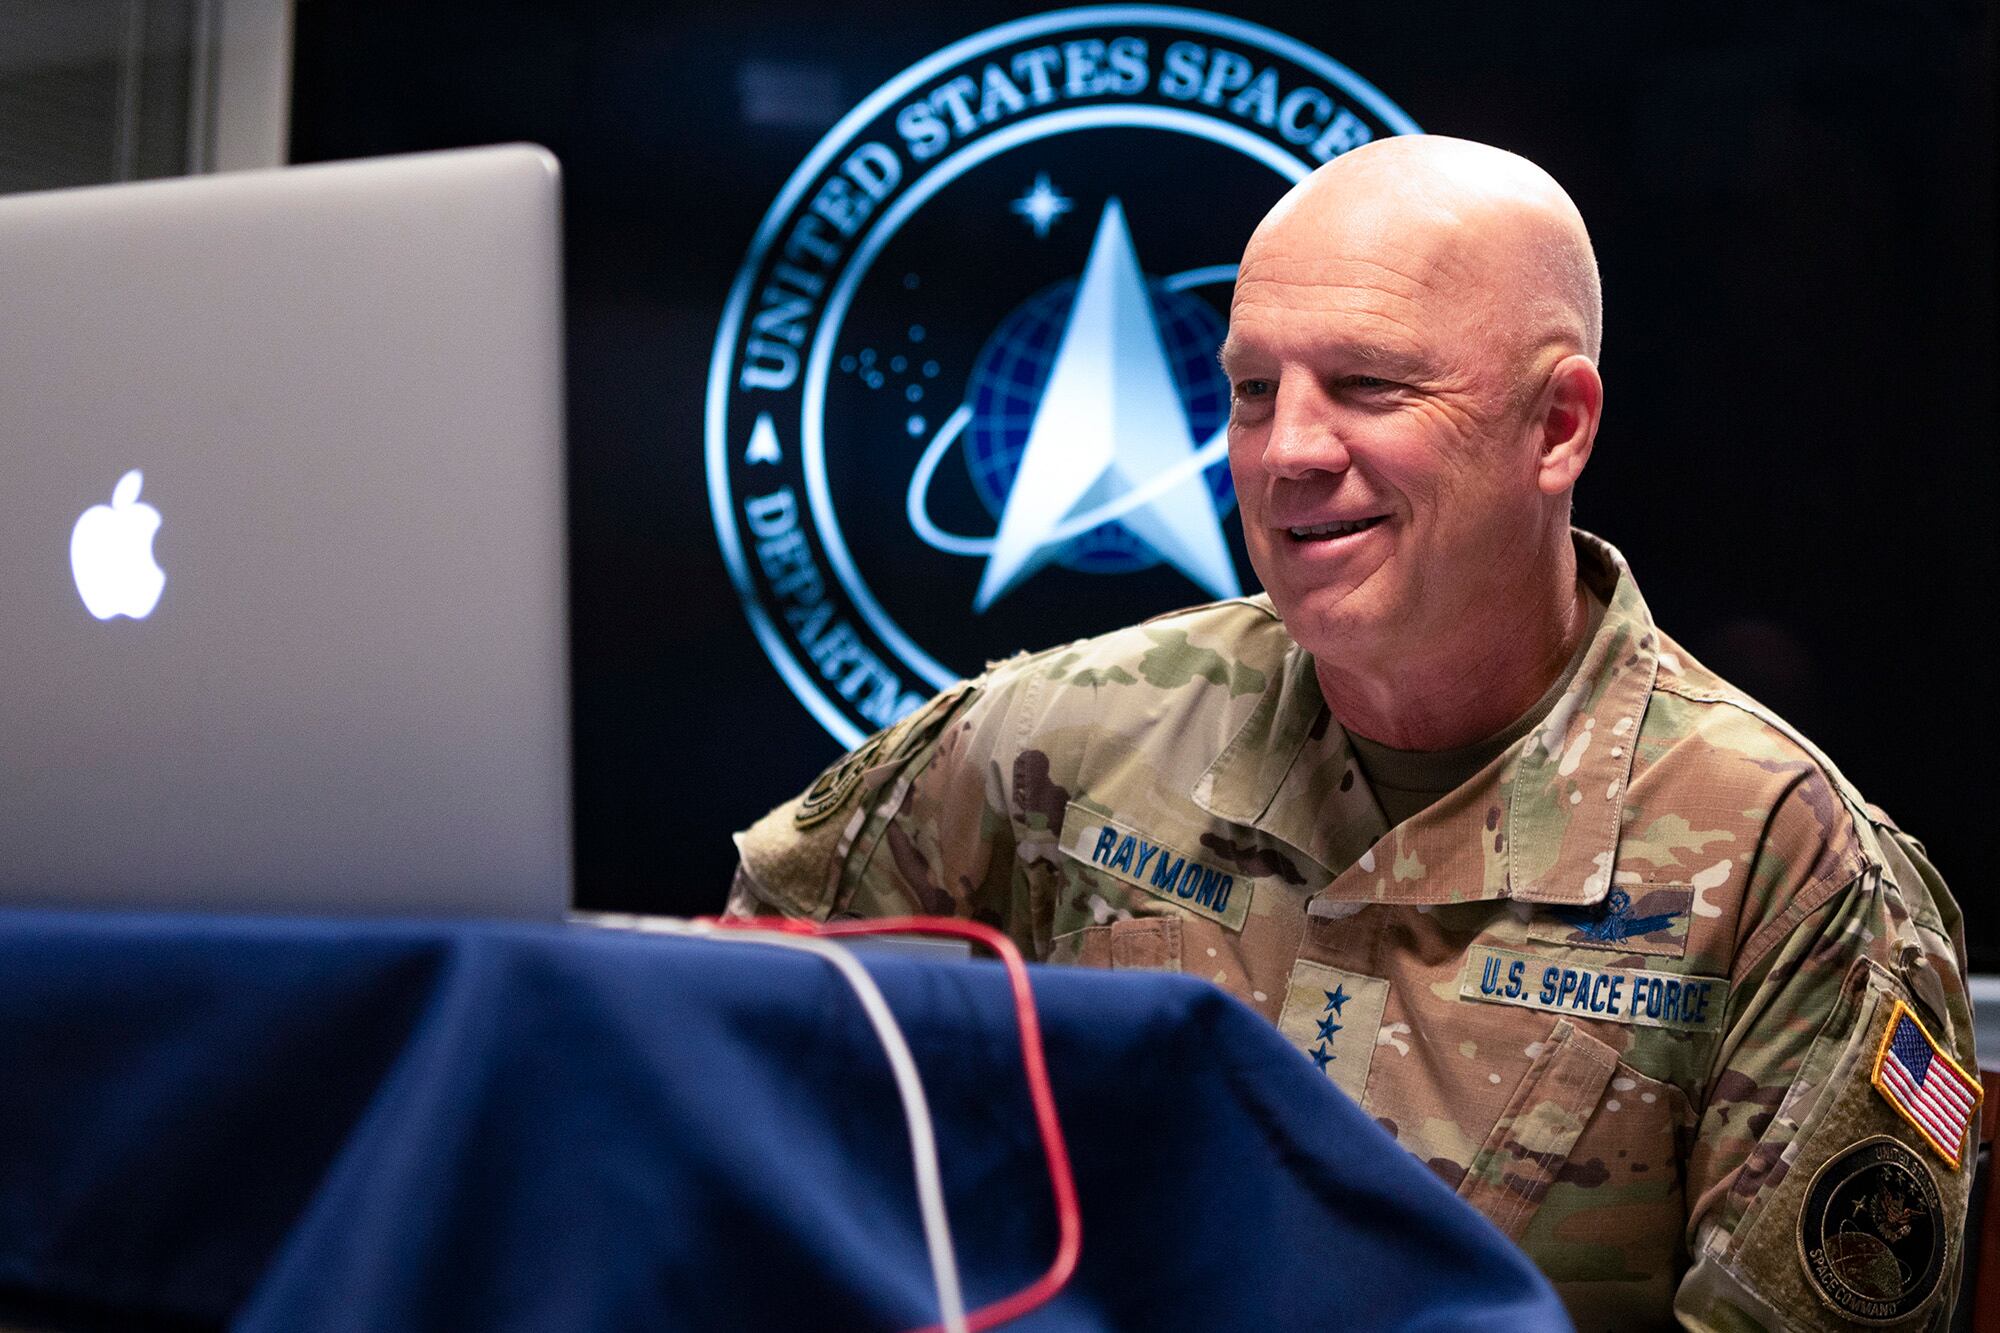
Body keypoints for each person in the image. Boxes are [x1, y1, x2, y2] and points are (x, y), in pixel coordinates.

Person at [726, 136, 1977, 1328]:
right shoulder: (1062, 734)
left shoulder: (1783, 869)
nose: (1285, 452)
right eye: (1253, 390)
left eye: (1368, 386)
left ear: (1556, 428)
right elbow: (725, 1042)